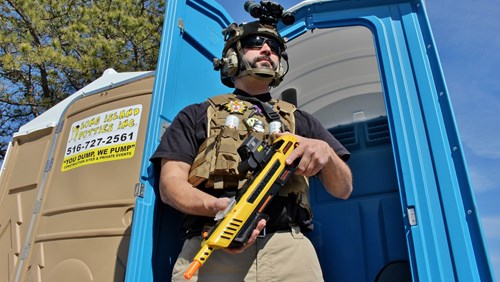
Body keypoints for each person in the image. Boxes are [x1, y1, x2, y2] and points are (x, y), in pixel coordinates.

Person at [150, 8, 353, 281]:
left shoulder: (299, 119)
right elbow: (170, 186)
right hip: (212, 246)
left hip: (288, 251)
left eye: (275, 47)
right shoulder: (197, 114)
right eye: (255, 43)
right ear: (232, 56)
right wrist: (219, 209)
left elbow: (343, 189)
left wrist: (326, 153)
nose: (267, 50)